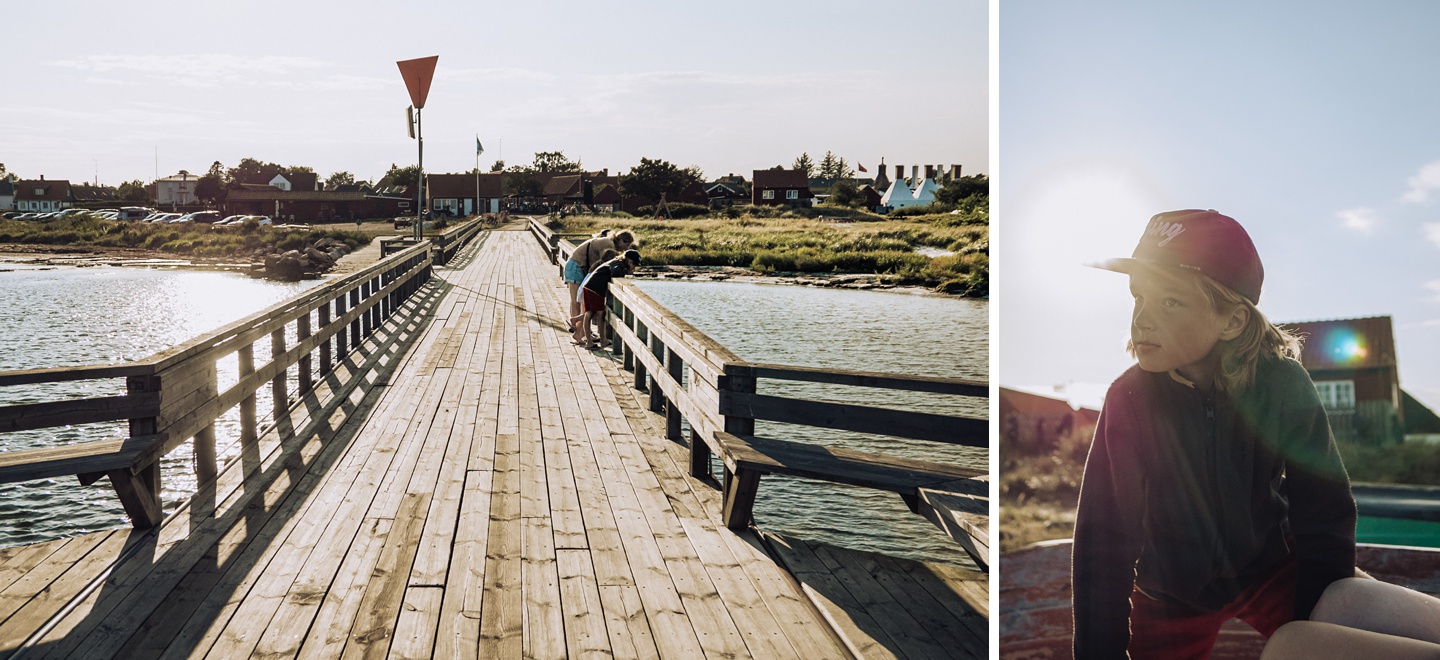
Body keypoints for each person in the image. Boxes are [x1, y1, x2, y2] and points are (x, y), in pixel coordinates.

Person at [1072, 210, 1357, 659]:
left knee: (1339, 629)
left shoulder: (1282, 384)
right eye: (1138, 297)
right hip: (1170, 592)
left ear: (1233, 321)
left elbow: (1324, 511)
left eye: (1170, 302)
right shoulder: (1130, 399)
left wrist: (1310, 625)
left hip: (1269, 569)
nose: (1143, 319)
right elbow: (1104, 537)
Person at [564, 229, 635, 329]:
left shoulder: (607, 241)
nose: (625, 249)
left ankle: (578, 330)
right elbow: (608, 264)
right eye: (627, 245)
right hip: (577, 266)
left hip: (575, 265)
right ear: (622, 240)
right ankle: (578, 330)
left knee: (577, 300)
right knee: (577, 301)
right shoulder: (608, 245)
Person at [571, 249, 639, 349]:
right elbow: (616, 273)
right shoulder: (618, 264)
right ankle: (592, 342)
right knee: (593, 314)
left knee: (596, 313)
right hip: (594, 288)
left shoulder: (616, 262)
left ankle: (601, 340)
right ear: (628, 260)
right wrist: (627, 271)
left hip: (593, 287)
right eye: (634, 264)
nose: (634, 267)